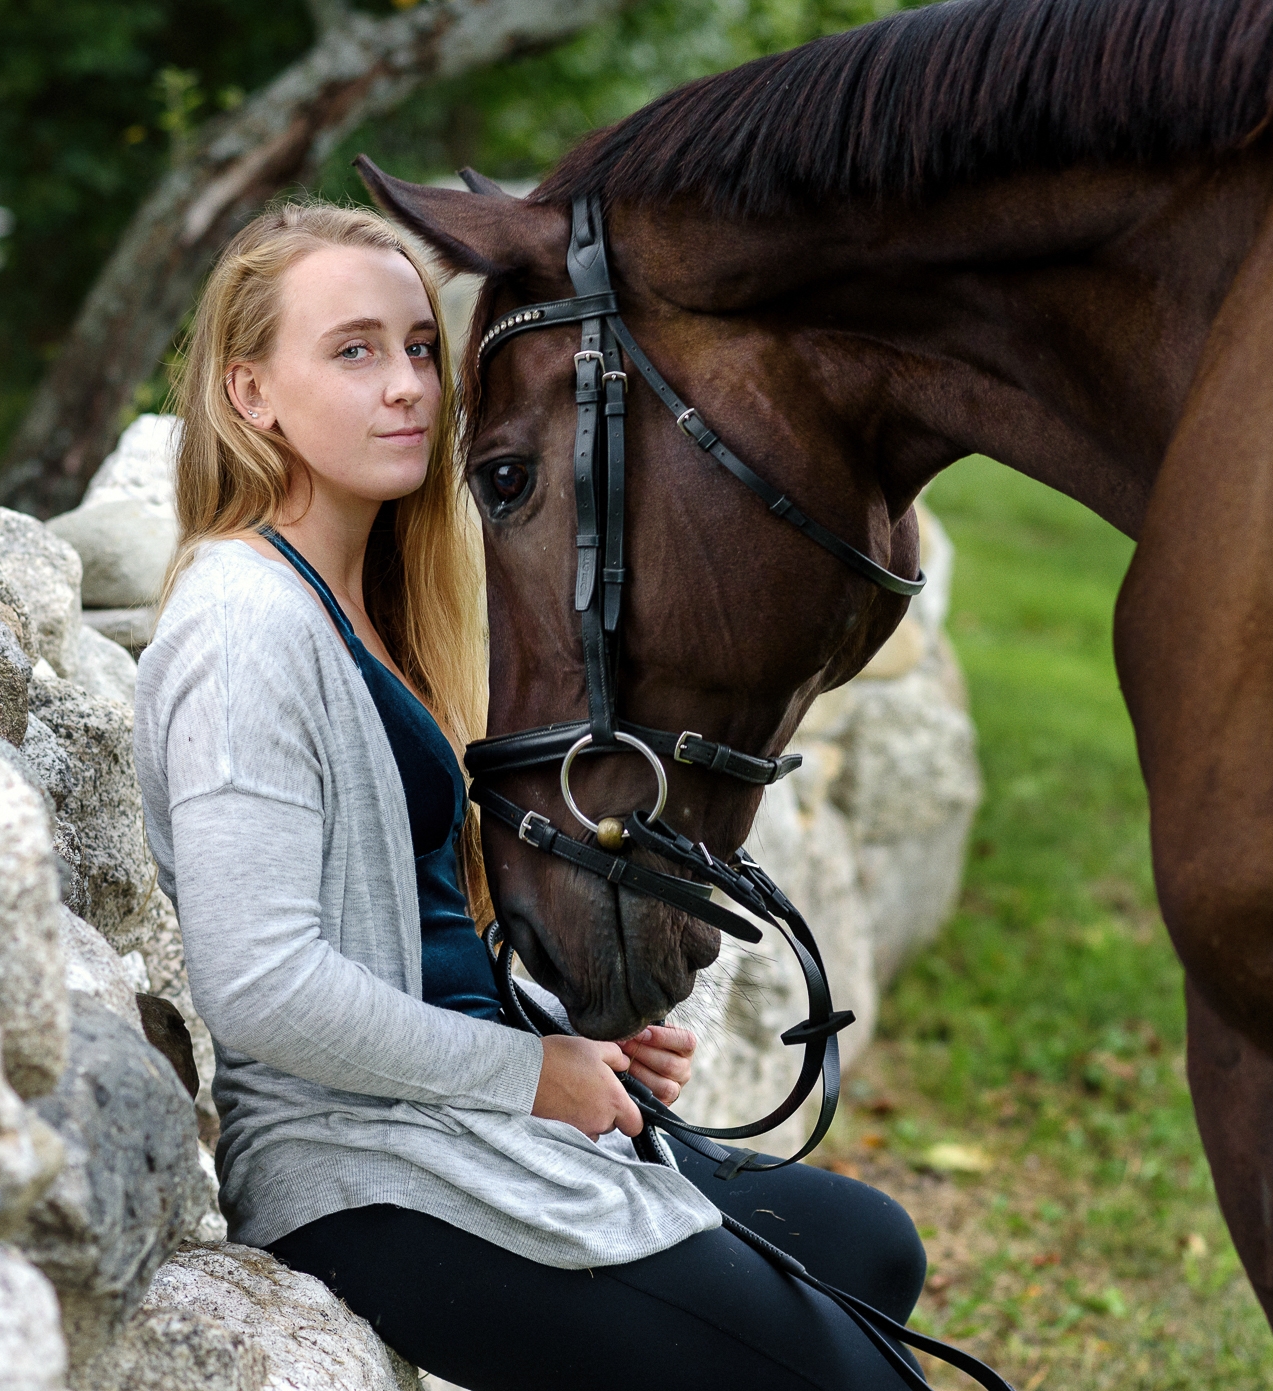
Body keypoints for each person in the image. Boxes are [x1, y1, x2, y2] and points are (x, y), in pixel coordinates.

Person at [133, 198, 928, 1391]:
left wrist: (567, 1033)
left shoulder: (384, 607)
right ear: (251, 395)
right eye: (350, 351)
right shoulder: (246, 624)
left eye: (416, 346)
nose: (405, 384)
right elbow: (260, 984)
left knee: (872, 1247)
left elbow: (421, 937)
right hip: (363, 1178)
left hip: (461, 1119)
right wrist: (531, 1078)